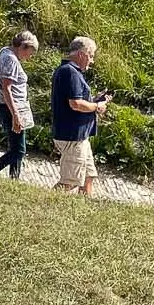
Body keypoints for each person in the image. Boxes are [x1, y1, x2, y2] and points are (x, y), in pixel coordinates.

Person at [50, 37, 110, 197]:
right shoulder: (70, 72)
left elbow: (78, 101)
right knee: (70, 181)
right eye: (91, 55)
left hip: (80, 136)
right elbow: (75, 104)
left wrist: (94, 101)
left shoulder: (70, 71)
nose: (92, 60)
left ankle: (84, 212)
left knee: (88, 176)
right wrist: (97, 106)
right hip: (72, 136)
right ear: (82, 54)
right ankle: (42, 207)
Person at [0, 30, 38, 179]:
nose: (30, 57)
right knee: (19, 150)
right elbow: (6, 88)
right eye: (30, 52)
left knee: (15, 146)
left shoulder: (4, 52)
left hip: (5, 105)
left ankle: (14, 179)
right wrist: (15, 115)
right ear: (23, 47)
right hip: (9, 107)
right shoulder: (11, 60)